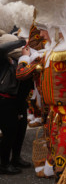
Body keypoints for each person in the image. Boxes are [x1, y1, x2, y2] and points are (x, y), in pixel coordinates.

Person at [16, 10, 66, 181]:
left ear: (55, 28)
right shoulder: (53, 50)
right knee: (57, 154)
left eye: (44, 28)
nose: (41, 33)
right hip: (55, 115)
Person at [0, 33, 32, 175]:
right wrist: (22, 41)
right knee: (9, 133)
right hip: (6, 101)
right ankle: (4, 163)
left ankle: (16, 158)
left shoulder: (21, 60)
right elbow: (2, 48)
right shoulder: (4, 59)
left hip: (20, 101)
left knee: (21, 130)